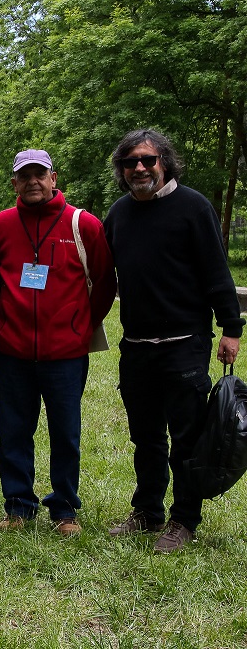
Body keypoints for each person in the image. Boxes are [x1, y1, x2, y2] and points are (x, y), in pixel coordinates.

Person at [104, 128, 242, 553]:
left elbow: (217, 273)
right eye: (130, 163)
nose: (139, 168)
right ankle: (147, 512)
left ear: (164, 161)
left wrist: (232, 329)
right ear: (122, 170)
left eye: (147, 160)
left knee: (185, 438)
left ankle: (184, 520)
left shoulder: (194, 208)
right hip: (137, 346)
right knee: (145, 437)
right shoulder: (119, 214)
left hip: (185, 344)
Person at [0, 149, 116, 536]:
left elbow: (105, 282)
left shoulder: (84, 224)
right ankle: (19, 506)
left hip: (66, 354)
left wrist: (81, 327)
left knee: (65, 432)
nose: (32, 182)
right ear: (14, 183)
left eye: (39, 174)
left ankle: (64, 509)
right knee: (13, 431)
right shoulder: (1, 225)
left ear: (54, 178)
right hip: (13, 352)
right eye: (24, 176)